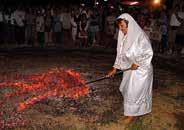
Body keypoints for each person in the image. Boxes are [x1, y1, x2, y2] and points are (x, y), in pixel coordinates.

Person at [107, 13, 153, 124]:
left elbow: (148, 52)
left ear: (130, 25)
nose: (121, 29)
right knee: (127, 90)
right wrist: (114, 68)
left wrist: (137, 63)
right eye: (119, 27)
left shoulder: (140, 36)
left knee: (134, 92)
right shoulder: (124, 37)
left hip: (142, 70)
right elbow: (120, 54)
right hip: (130, 69)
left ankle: (132, 115)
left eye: (122, 26)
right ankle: (134, 111)